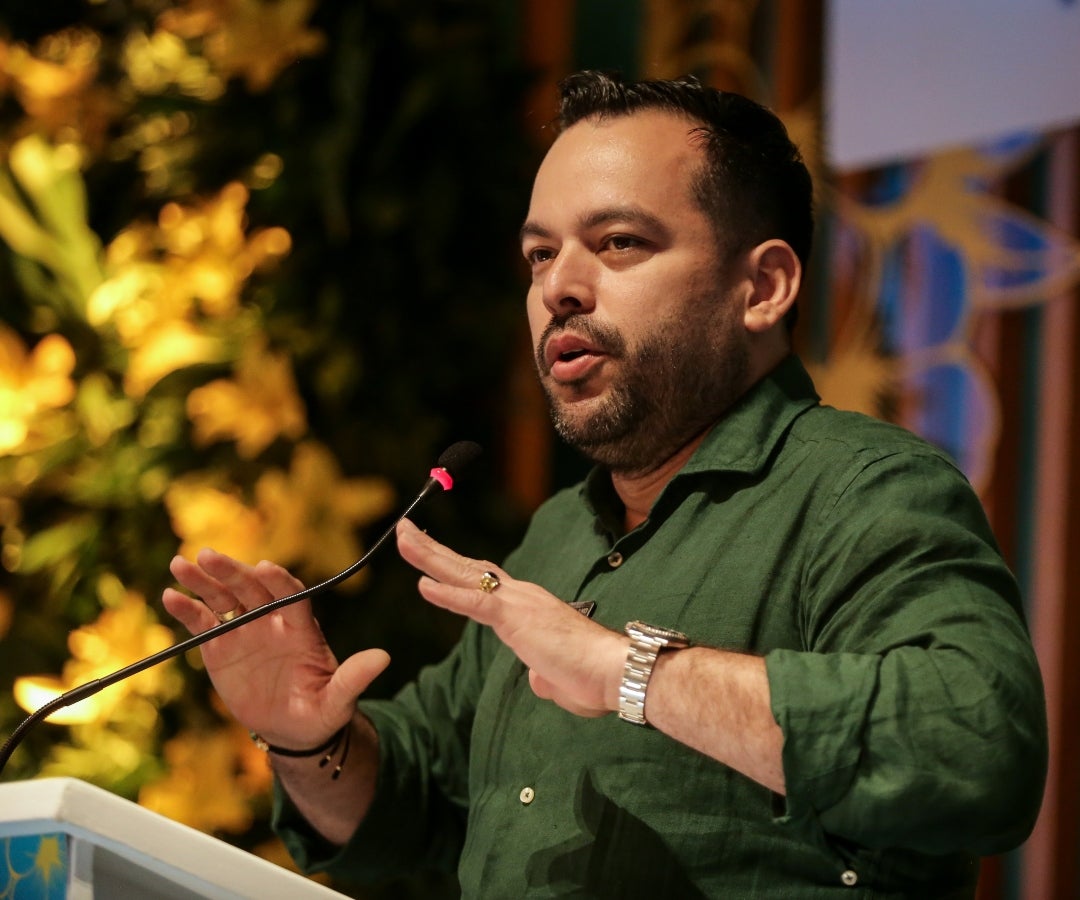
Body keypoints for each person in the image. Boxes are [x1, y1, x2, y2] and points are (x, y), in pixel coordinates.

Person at [163, 71, 1048, 898]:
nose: (560, 288)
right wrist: (309, 740)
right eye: (539, 255)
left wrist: (626, 669)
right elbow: (411, 810)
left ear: (763, 286)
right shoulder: (559, 535)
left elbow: (976, 747)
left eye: (619, 243)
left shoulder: (867, 490)